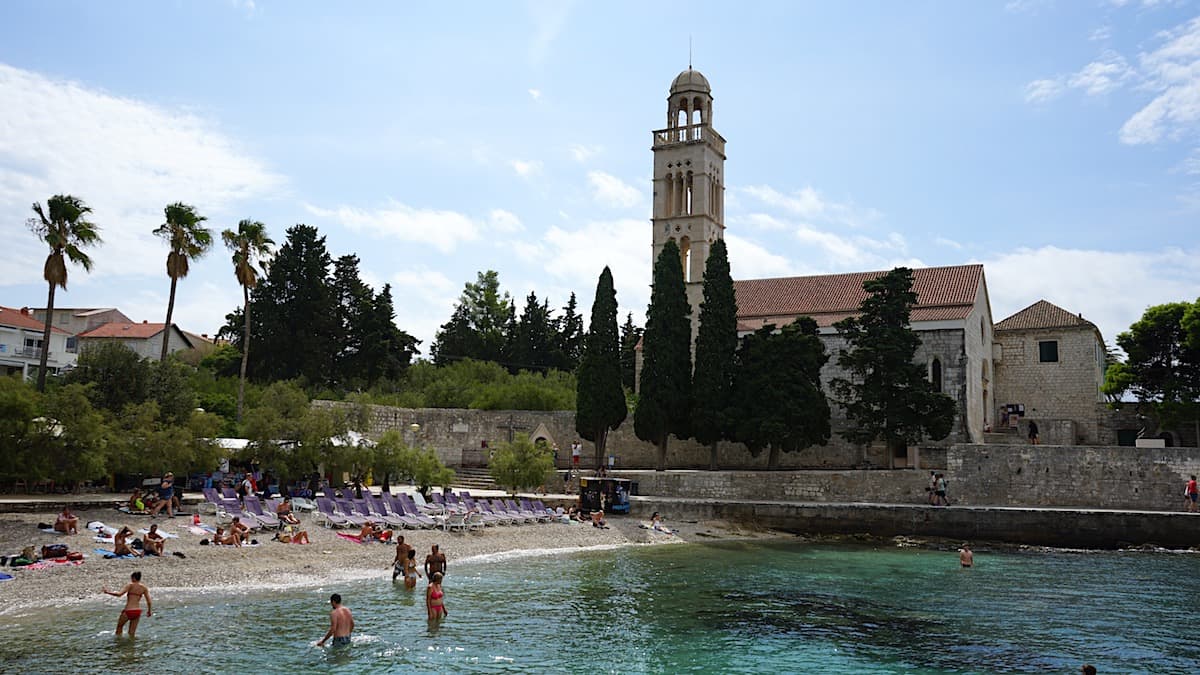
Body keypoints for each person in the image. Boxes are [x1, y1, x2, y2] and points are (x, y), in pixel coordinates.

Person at [103, 571, 152, 638]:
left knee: (119, 627)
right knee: (132, 633)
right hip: (137, 612)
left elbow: (119, 594)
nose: (131, 579)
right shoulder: (144, 588)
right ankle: (131, 647)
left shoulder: (130, 585)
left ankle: (118, 643)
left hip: (128, 611)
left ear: (134, 578)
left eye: (131, 578)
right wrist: (149, 611)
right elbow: (149, 602)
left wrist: (108, 592)